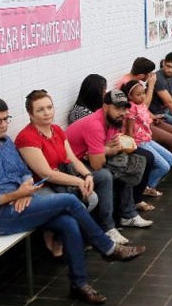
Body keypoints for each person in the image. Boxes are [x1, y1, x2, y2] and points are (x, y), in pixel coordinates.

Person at [0, 97, 144, 306]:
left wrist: (25, 191)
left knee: (68, 223)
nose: (3, 125)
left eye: (6, 119)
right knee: (69, 202)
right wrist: (16, 195)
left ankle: (79, 284)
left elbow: (24, 172)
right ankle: (107, 248)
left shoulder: (6, 143)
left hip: (26, 202)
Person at [15, 89, 110, 254]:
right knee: (76, 204)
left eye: (49, 107)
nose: (47, 113)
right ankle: (57, 238)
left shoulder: (57, 130)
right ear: (30, 114)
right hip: (40, 185)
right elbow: (46, 174)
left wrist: (87, 176)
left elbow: (72, 158)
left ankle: (61, 234)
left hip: (63, 177)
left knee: (92, 198)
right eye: (40, 110)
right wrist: (79, 181)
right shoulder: (26, 138)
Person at [67, 89, 154, 231]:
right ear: (106, 107)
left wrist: (105, 150)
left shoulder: (114, 121)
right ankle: (107, 228)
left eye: (124, 109)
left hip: (90, 157)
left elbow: (113, 147)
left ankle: (128, 215)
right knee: (107, 175)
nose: (122, 113)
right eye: (117, 108)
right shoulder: (94, 124)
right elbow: (97, 164)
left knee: (133, 163)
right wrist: (107, 150)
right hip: (73, 164)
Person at [120, 79, 172, 204]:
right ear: (130, 96)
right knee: (164, 166)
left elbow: (146, 119)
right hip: (139, 142)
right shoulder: (131, 110)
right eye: (138, 95)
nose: (142, 96)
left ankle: (147, 186)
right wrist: (131, 148)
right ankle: (145, 187)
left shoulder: (141, 105)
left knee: (171, 159)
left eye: (143, 93)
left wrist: (154, 118)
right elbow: (129, 132)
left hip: (147, 139)